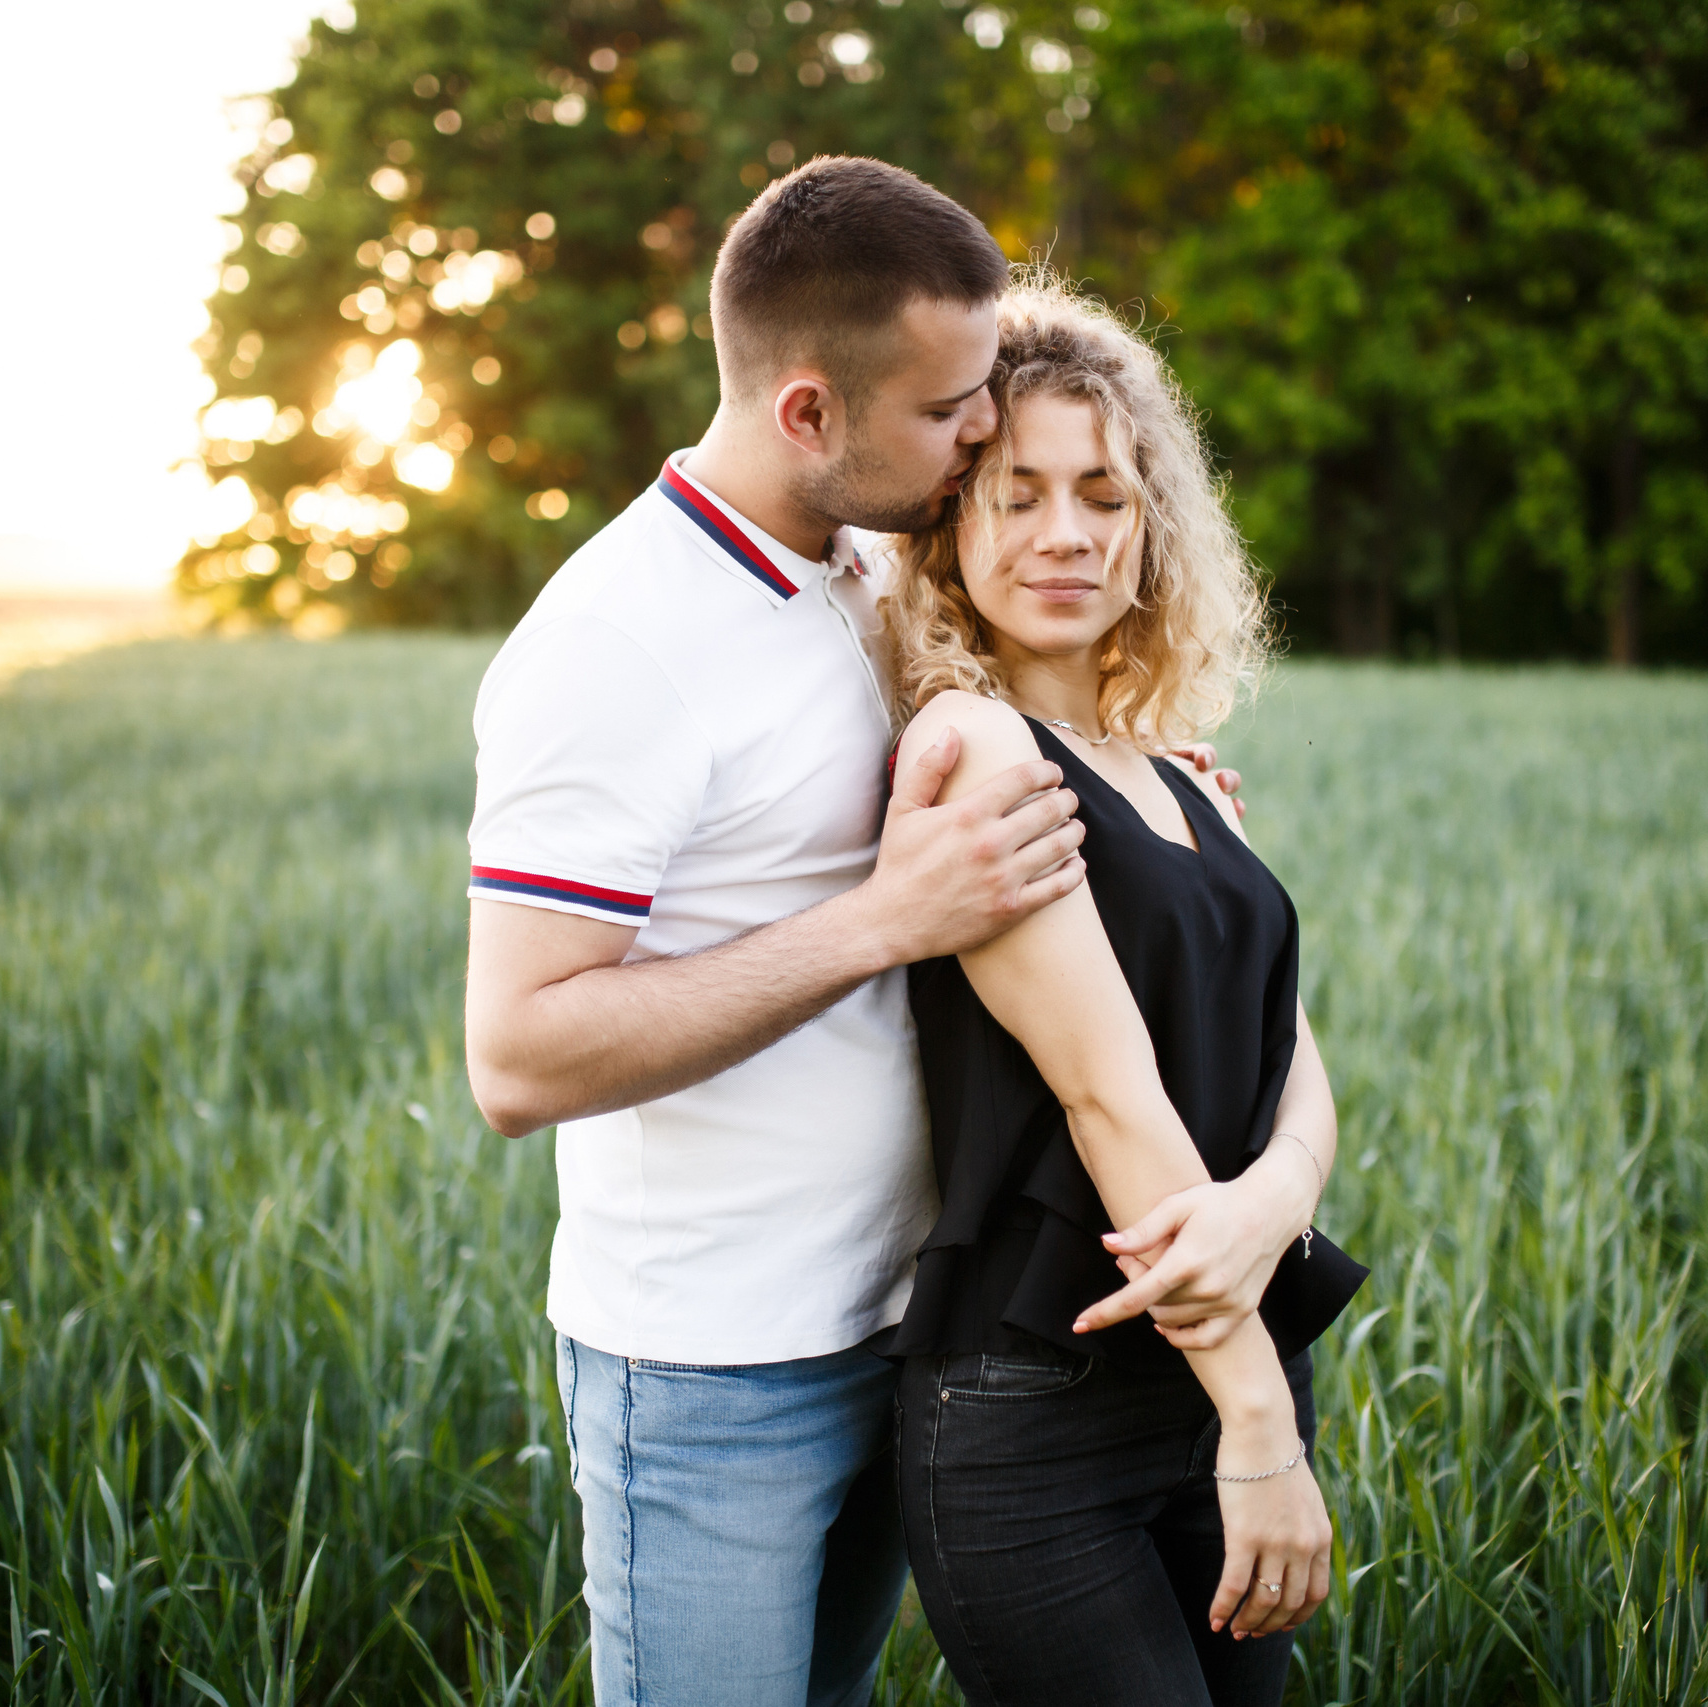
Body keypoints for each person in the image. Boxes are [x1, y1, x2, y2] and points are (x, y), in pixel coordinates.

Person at [460, 160, 1314, 1707]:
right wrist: (879, 922)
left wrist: (1161, 827)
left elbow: (1031, 731)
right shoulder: (613, 643)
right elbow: (516, 1059)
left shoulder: (867, 567)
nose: (982, 433)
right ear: (809, 413)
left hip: (909, 1319)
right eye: (949, 413)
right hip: (718, 1365)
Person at [876, 274, 1370, 1707]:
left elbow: (1293, 1066)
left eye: (1103, 493)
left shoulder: (1177, 773)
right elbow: (1110, 1097)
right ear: (949, 525)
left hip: (1215, 1374)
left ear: (1150, 522)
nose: (1067, 534)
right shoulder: (978, 747)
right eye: (1017, 493)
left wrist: (1276, 1206)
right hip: (1042, 1414)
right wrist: (1263, 1425)